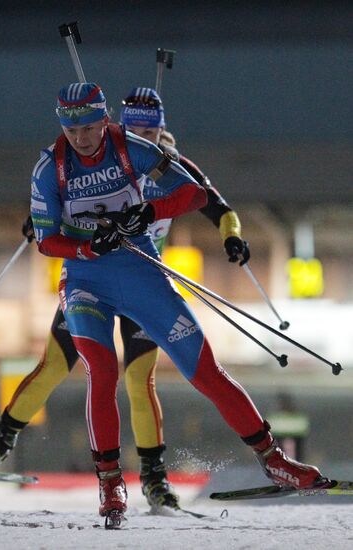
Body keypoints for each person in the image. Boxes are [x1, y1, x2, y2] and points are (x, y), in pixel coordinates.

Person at [0, 86, 250, 513]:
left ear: (164, 128)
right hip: (92, 279)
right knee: (55, 365)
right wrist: (39, 221)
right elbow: (58, 204)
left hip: (143, 281)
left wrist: (231, 236)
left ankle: (154, 479)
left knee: (138, 379)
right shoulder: (109, 157)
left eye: (153, 128)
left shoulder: (167, 165)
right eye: (136, 128)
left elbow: (219, 208)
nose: (146, 135)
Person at [29, 82, 322, 520]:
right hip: (86, 282)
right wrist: (88, 248)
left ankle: (274, 461)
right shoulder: (50, 168)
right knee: (103, 371)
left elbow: (196, 194)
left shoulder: (132, 149)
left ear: (104, 119)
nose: (82, 139)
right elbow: (46, 241)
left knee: (205, 371)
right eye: (72, 131)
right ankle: (111, 485)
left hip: (141, 274)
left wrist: (147, 213)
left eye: (89, 128)